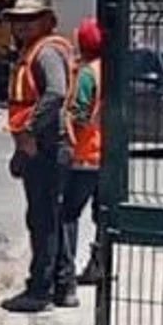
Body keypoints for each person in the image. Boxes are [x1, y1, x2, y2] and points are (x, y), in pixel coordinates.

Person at [0, 0, 73, 313]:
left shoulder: (45, 53)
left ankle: (41, 289)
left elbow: (56, 93)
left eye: (30, 20)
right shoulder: (32, 53)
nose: (22, 26)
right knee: (49, 218)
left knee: (43, 221)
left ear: (46, 22)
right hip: (38, 149)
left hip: (46, 147)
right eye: (18, 21)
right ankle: (62, 284)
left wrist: (29, 130)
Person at [60, 17, 104, 291]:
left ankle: (66, 274)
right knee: (103, 215)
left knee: (68, 213)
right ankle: (100, 265)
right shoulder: (111, 69)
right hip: (108, 157)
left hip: (84, 155)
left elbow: (80, 113)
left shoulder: (88, 73)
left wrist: (65, 128)